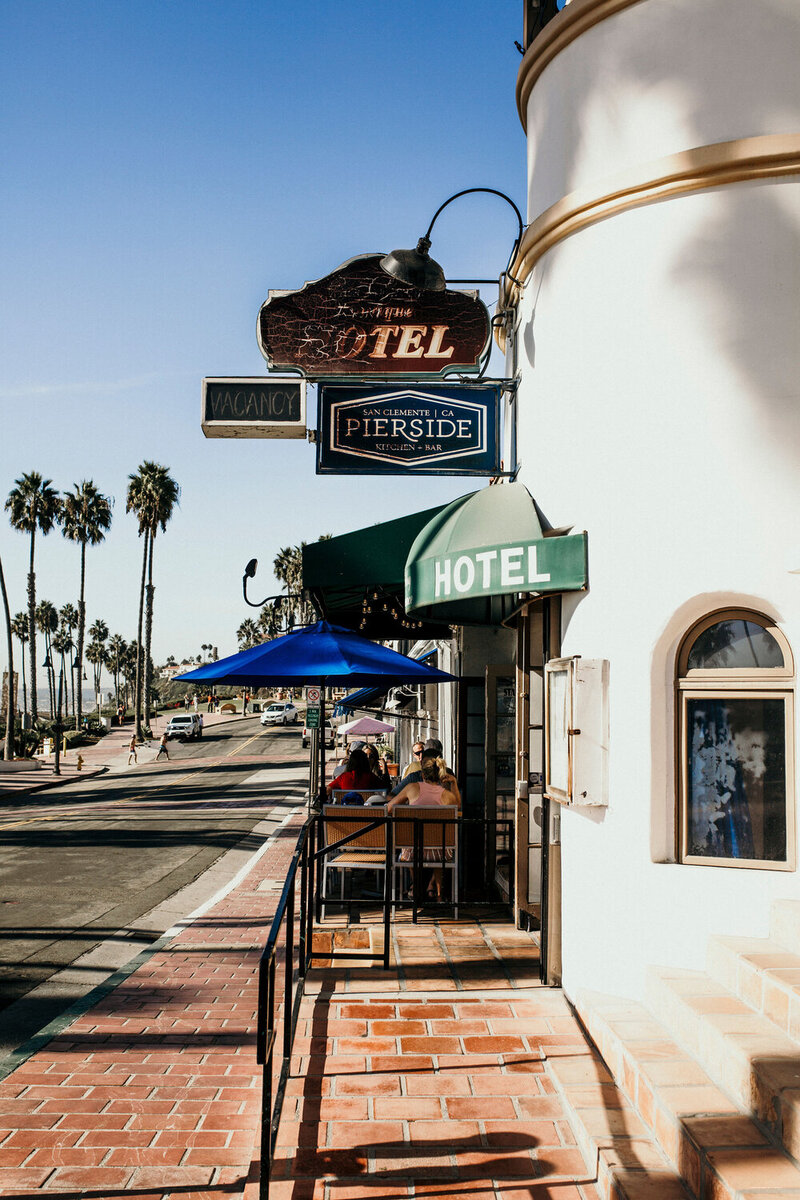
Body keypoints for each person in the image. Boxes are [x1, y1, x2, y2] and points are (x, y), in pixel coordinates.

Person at [387, 757, 459, 899]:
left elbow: (389, 808)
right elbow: (458, 807)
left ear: (422, 774)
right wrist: (454, 783)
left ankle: (416, 885)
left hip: (413, 851)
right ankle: (437, 893)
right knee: (439, 842)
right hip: (441, 852)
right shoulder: (447, 796)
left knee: (411, 844)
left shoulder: (412, 788)